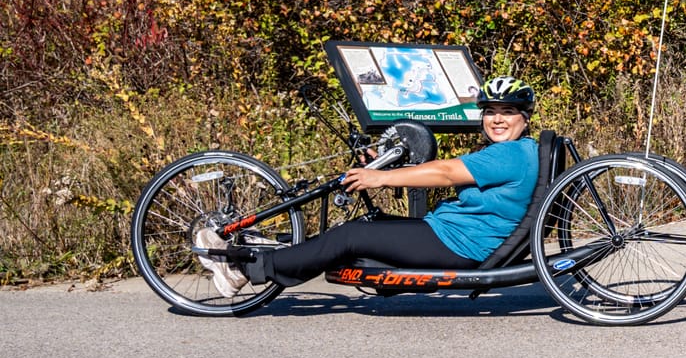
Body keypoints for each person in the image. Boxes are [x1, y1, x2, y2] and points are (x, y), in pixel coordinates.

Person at [194, 76, 542, 298]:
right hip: (453, 234)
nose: (497, 119)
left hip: (460, 244)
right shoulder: (518, 152)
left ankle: (244, 270)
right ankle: (272, 251)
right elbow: (446, 172)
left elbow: (447, 172)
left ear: (524, 119)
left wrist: (380, 177)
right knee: (364, 229)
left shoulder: (510, 154)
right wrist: (388, 166)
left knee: (351, 237)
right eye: (490, 111)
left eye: (507, 111)